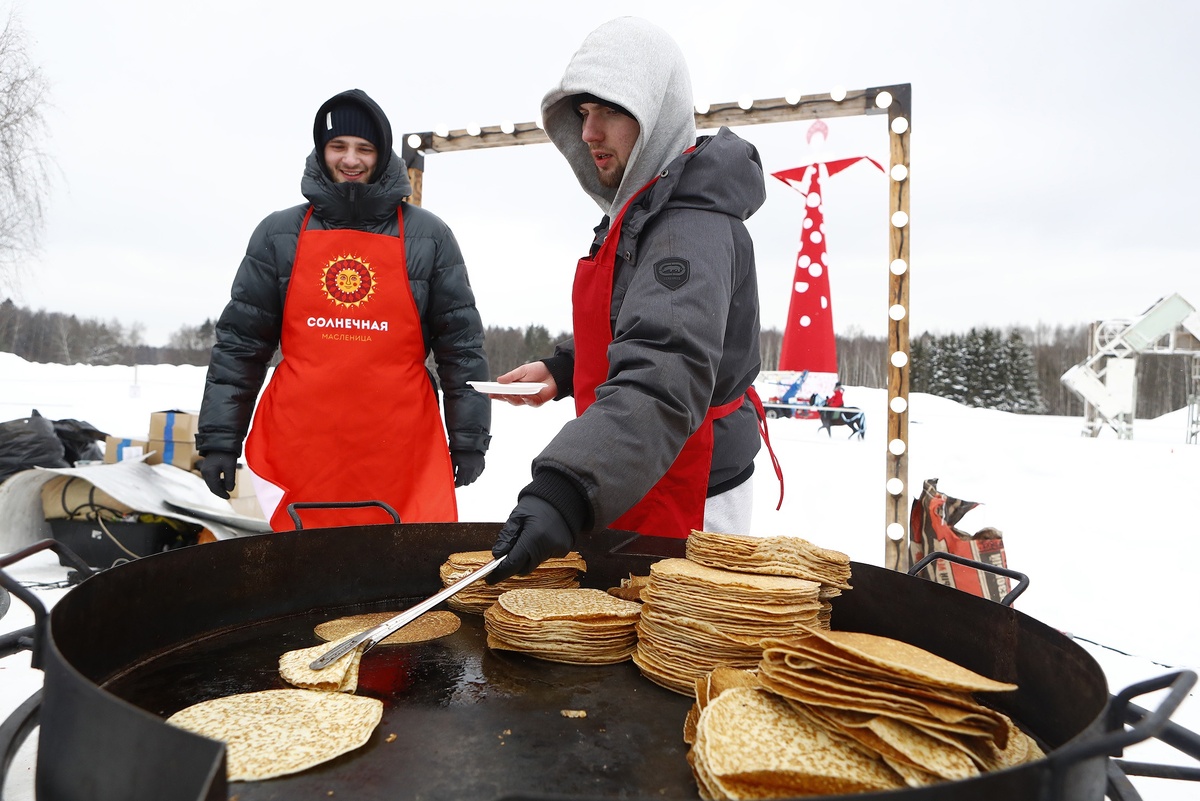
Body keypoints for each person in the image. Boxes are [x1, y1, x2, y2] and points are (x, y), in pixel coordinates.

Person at [486, 17, 774, 584]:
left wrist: (565, 486)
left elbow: (666, 370)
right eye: (583, 112)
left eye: (611, 112)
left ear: (656, 114)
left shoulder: (688, 226)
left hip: (690, 483)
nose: (589, 132)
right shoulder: (645, 211)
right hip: (635, 461)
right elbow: (639, 322)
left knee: (677, 633)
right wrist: (565, 367)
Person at [195, 88, 491, 531]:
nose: (350, 159)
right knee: (304, 563)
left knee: (402, 563)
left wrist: (468, 439)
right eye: (338, 146)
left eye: (364, 148)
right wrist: (220, 439)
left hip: (401, 447)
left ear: (382, 154)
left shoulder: (430, 236)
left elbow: (461, 347)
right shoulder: (279, 233)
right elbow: (240, 345)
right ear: (322, 150)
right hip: (302, 446)